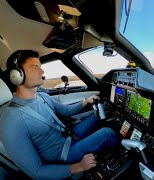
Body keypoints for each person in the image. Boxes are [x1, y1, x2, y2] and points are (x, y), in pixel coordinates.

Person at [0, 50, 119, 179]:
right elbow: (37, 172)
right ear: (17, 76)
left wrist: (86, 101)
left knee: (100, 113)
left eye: (40, 67)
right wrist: (79, 166)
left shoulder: (41, 96)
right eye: (35, 67)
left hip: (69, 136)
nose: (42, 72)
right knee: (108, 133)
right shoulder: (11, 120)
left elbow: (66, 111)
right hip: (64, 155)